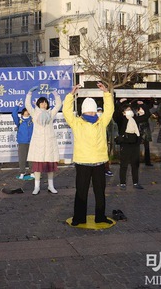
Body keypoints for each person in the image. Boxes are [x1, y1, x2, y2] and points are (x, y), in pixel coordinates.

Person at [63, 82, 114, 225]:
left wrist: (106, 93)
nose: (91, 114)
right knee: (81, 192)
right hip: (83, 162)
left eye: (93, 111)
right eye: (88, 112)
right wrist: (70, 95)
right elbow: (67, 112)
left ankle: (100, 216)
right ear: (83, 112)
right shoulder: (77, 123)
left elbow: (109, 110)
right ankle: (78, 218)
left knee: (100, 192)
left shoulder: (101, 122)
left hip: (99, 162)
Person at [25, 86, 62, 195]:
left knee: (50, 166)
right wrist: (29, 93)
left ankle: (51, 186)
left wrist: (55, 93)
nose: (44, 104)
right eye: (41, 103)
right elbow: (27, 105)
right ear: (38, 104)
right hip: (38, 143)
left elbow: (59, 105)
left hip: (49, 143)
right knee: (38, 167)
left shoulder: (51, 113)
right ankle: (36, 187)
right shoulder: (34, 113)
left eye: (45, 102)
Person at [114, 100, 144, 190]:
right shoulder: (121, 120)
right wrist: (119, 102)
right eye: (127, 109)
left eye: (130, 109)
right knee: (124, 164)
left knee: (135, 164)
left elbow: (146, 116)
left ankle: (135, 182)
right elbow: (116, 115)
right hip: (125, 144)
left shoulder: (134, 119)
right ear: (123, 112)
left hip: (135, 144)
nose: (129, 111)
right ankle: (122, 183)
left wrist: (143, 105)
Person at [12, 104, 34, 179]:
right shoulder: (19, 121)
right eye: (25, 111)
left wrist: (35, 106)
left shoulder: (32, 119)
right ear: (23, 112)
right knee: (22, 158)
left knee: (32, 158)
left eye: (28, 111)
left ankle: (32, 172)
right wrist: (17, 106)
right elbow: (14, 114)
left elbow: (38, 114)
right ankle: (22, 172)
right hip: (22, 142)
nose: (27, 112)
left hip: (32, 141)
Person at [134, 100, 153, 167]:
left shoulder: (145, 116)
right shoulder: (136, 118)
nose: (141, 111)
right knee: (137, 147)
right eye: (140, 109)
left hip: (145, 132)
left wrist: (143, 105)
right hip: (138, 132)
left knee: (147, 147)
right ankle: (136, 161)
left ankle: (147, 161)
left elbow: (148, 113)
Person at [97, 107, 114, 177]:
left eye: (101, 111)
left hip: (105, 140)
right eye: (98, 111)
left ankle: (107, 169)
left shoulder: (107, 120)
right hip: (97, 141)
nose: (99, 113)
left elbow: (111, 128)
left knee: (105, 155)